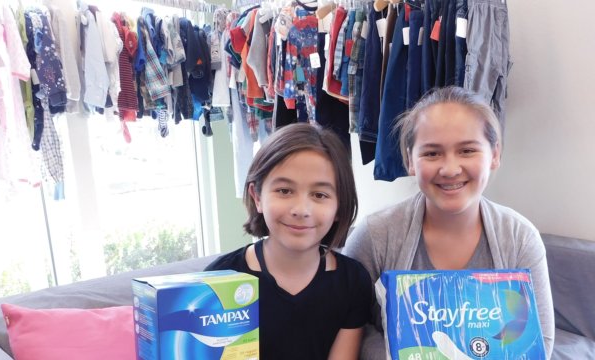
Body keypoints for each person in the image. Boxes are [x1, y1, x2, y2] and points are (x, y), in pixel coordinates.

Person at [343, 87, 554, 359]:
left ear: (494, 154)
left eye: (467, 150)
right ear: (410, 160)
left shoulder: (520, 237)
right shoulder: (374, 236)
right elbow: (347, 327)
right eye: (432, 153)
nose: (450, 169)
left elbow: (541, 340)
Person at [205, 123, 372, 360]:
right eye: (284, 191)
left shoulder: (353, 281)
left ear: (339, 206)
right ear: (257, 196)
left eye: (319, 195)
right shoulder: (219, 280)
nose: (301, 209)